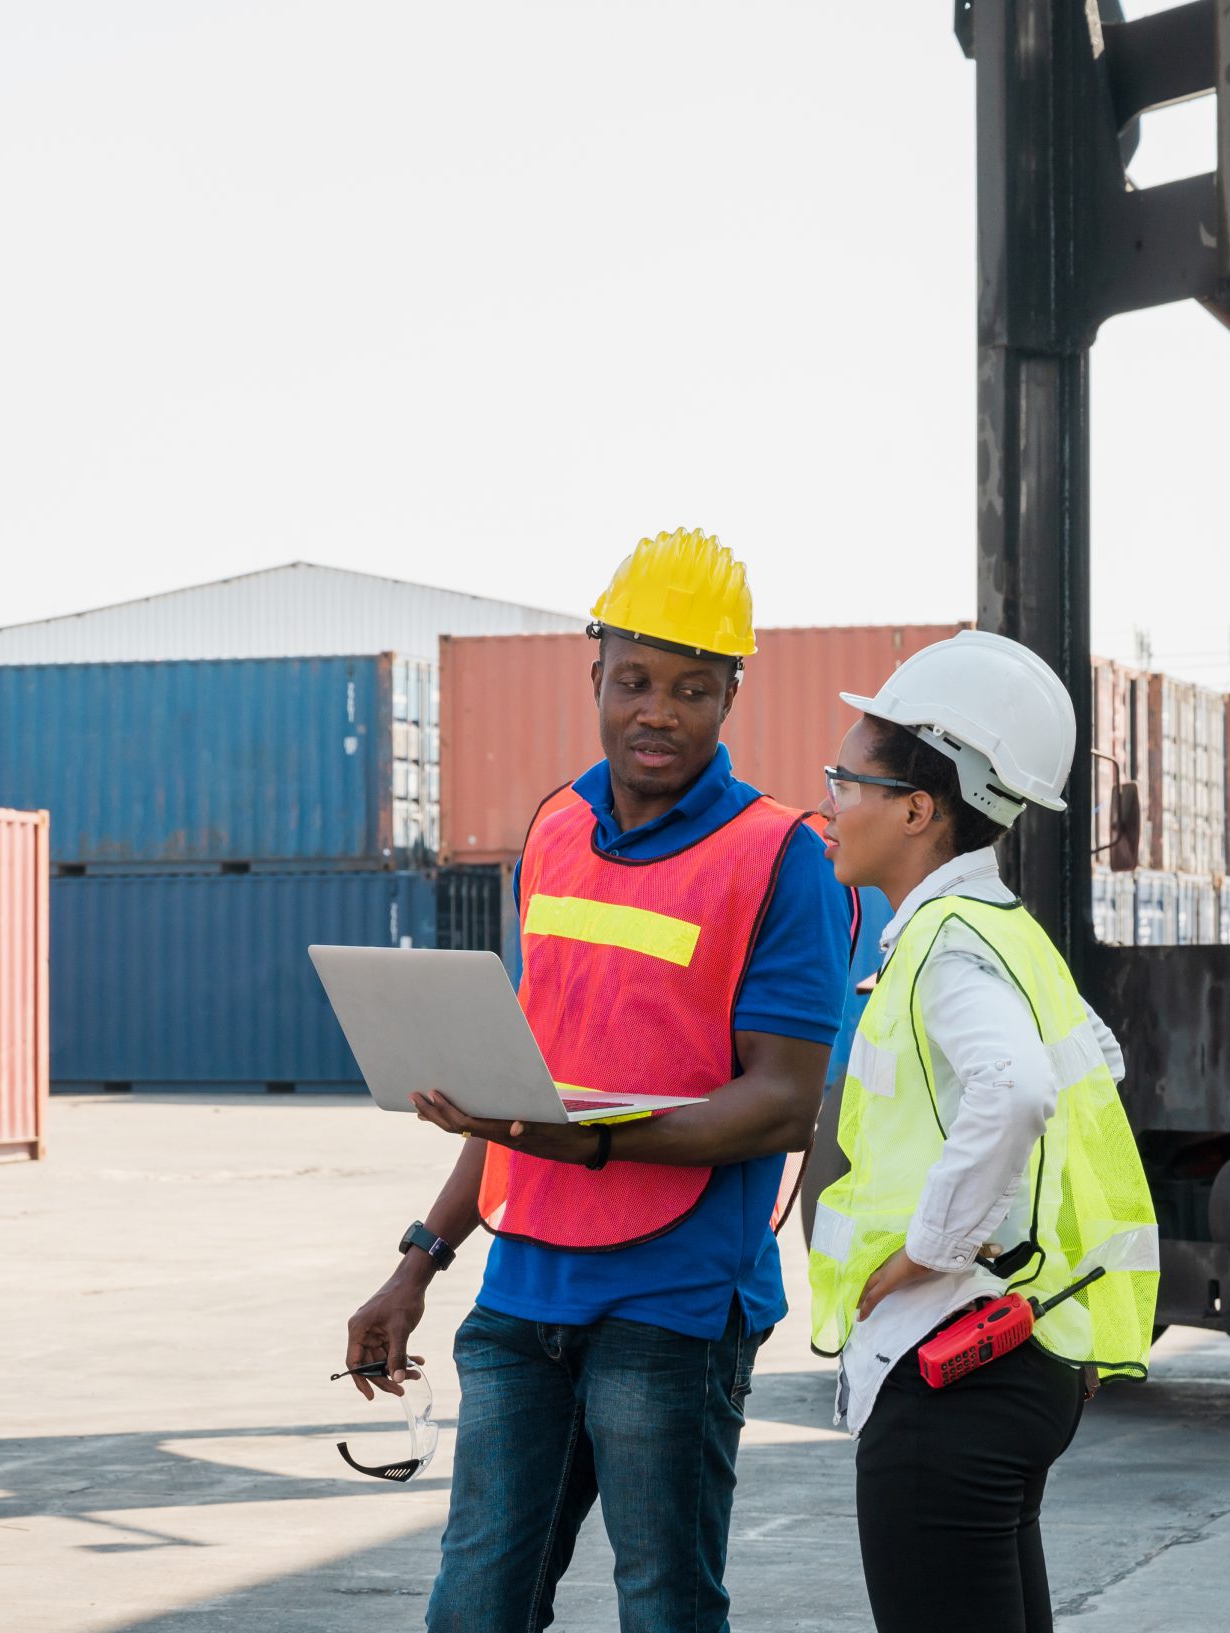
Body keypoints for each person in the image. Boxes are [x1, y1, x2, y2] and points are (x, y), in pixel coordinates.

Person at [343, 528, 861, 1633]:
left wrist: (590, 1142)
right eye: (633, 681)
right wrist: (417, 1263)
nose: (656, 711)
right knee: (473, 1611)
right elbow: (521, 1084)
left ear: (730, 694)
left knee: (664, 1608)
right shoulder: (556, 830)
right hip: (523, 1292)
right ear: (596, 677)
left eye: (689, 688)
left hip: (671, 1306)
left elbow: (780, 1103)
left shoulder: (780, 858)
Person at [808, 631, 1161, 1633]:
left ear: (916, 809)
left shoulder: (943, 949)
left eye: (846, 779)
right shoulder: (1003, 931)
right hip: (1018, 1353)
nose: (831, 801)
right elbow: (1094, 1069)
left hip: (946, 1375)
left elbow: (1013, 1092)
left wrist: (932, 1247)